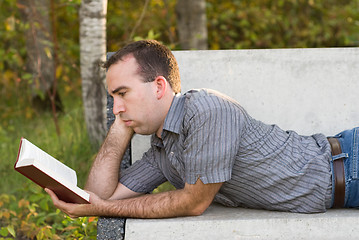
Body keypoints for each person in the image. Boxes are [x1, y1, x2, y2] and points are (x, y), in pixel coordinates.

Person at [46, 40, 359, 219]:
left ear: (158, 87)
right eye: (113, 97)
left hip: (350, 164)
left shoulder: (205, 111)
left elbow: (193, 202)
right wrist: (120, 127)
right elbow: (98, 197)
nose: (116, 106)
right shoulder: (163, 151)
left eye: (123, 93)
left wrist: (105, 208)